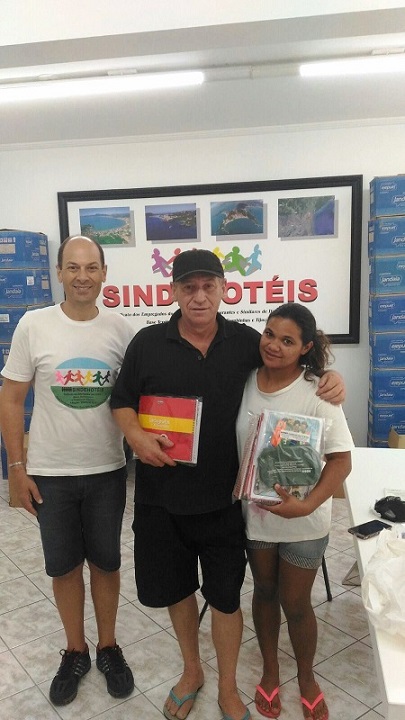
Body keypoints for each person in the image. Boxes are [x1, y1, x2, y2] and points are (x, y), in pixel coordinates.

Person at [110, 249, 345, 720]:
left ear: (223, 289)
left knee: (224, 598)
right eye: (188, 287)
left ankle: (228, 686)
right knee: (178, 592)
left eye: (208, 286)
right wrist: (135, 435)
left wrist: (330, 377)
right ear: (173, 292)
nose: (199, 296)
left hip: (225, 505)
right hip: (161, 501)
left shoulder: (246, 343)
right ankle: (191, 671)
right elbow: (122, 401)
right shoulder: (147, 343)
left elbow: (291, 365)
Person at [0, 236, 135, 707]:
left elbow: (142, 396)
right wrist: (16, 468)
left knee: (106, 563)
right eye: (73, 267)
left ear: (104, 273)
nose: (82, 276)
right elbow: (11, 398)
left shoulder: (121, 330)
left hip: (106, 471)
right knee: (63, 567)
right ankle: (75, 650)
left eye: (91, 267)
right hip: (49, 474)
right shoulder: (33, 325)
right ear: (58, 272)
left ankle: (108, 647)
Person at [236, 303, 353, 720]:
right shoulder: (244, 380)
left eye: (288, 341)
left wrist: (307, 504)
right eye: (269, 334)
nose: (274, 345)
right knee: (264, 593)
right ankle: (270, 671)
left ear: (305, 348)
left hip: (305, 521)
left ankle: (306, 676)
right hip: (257, 518)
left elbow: (341, 461)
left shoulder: (318, 390)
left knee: (297, 602)